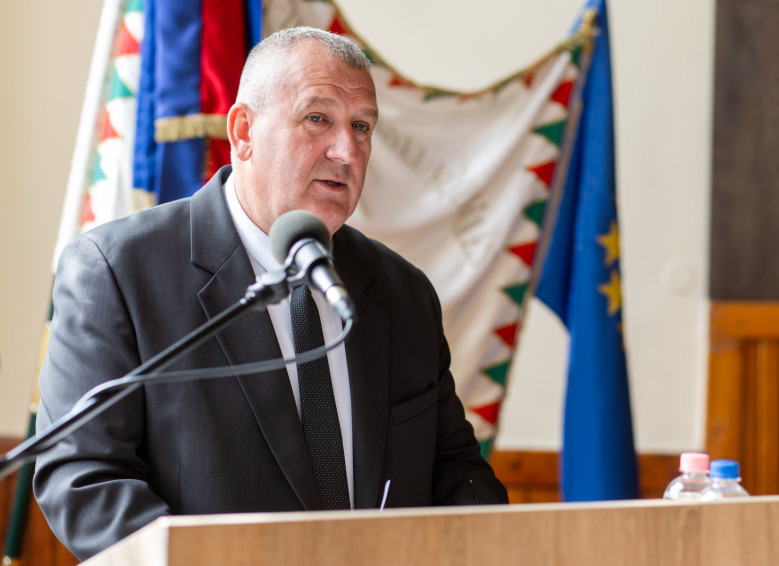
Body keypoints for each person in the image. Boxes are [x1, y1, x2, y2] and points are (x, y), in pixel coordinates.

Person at [33, 27, 508, 561]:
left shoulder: (403, 292)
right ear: (243, 132)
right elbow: (83, 476)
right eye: (318, 119)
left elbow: (456, 471)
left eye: (362, 126)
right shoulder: (118, 270)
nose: (346, 150)